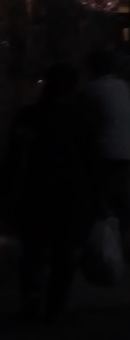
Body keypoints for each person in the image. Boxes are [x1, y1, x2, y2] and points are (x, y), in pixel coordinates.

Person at [0, 62, 98, 321]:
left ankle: (32, 296)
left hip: (36, 188)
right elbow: (91, 159)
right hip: (70, 191)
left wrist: (7, 192)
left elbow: (13, 158)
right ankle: (56, 303)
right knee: (63, 251)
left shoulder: (29, 116)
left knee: (33, 248)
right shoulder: (82, 118)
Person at [80, 48, 130, 242]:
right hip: (125, 152)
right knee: (120, 197)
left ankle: (99, 240)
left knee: (97, 196)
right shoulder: (123, 86)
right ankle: (122, 238)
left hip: (102, 152)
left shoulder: (90, 89)